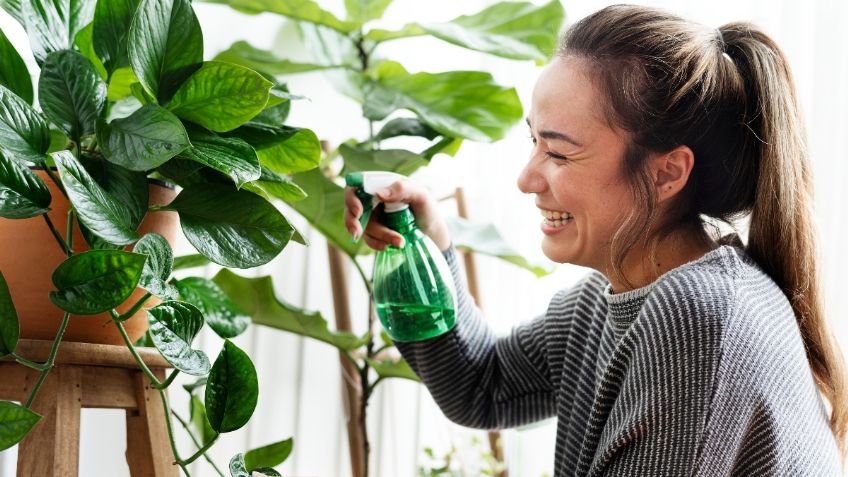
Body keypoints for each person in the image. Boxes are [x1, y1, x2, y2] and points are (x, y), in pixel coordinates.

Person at [343, 4, 847, 475]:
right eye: (533, 142)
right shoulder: (608, 300)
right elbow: (481, 386)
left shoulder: (701, 317)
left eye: (559, 155)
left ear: (666, 173)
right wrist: (425, 244)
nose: (527, 179)